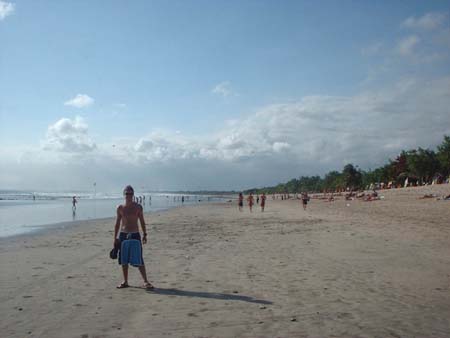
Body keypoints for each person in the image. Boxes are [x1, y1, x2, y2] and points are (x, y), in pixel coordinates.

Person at [114, 185, 153, 289]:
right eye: (127, 193)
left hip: (135, 235)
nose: (129, 195)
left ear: (133, 194)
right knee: (124, 259)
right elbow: (117, 223)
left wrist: (145, 234)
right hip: (123, 235)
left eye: (131, 193)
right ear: (124, 194)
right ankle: (125, 281)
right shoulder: (120, 208)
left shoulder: (138, 207)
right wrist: (115, 238)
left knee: (139, 258)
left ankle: (145, 281)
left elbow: (142, 221)